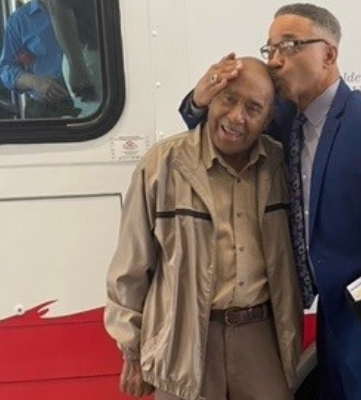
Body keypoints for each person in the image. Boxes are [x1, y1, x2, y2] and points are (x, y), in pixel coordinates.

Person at [179, 4, 361, 400]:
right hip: (329, 322)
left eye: (290, 45)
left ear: (328, 54)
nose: (276, 60)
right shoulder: (281, 121)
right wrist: (200, 97)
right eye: (270, 49)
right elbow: (217, 129)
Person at [105, 58, 302, 400]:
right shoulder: (162, 166)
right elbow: (131, 268)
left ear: (269, 119)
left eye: (253, 108)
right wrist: (132, 350)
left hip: (262, 339)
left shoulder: (281, 166)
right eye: (229, 99)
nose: (237, 117)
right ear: (210, 99)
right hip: (185, 339)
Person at [0, 0, 80, 118]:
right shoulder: (19, 20)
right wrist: (34, 82)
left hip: (95, 102)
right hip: (44, 110)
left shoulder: (86, 8)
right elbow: (5, 68)